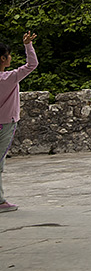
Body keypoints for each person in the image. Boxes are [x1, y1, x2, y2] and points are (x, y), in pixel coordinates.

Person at [0, 32, 39, 212]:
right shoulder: (10, 78)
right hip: (6, 123)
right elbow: (32, 64)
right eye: (8, 56)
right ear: (3, 58)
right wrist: (28, 45)